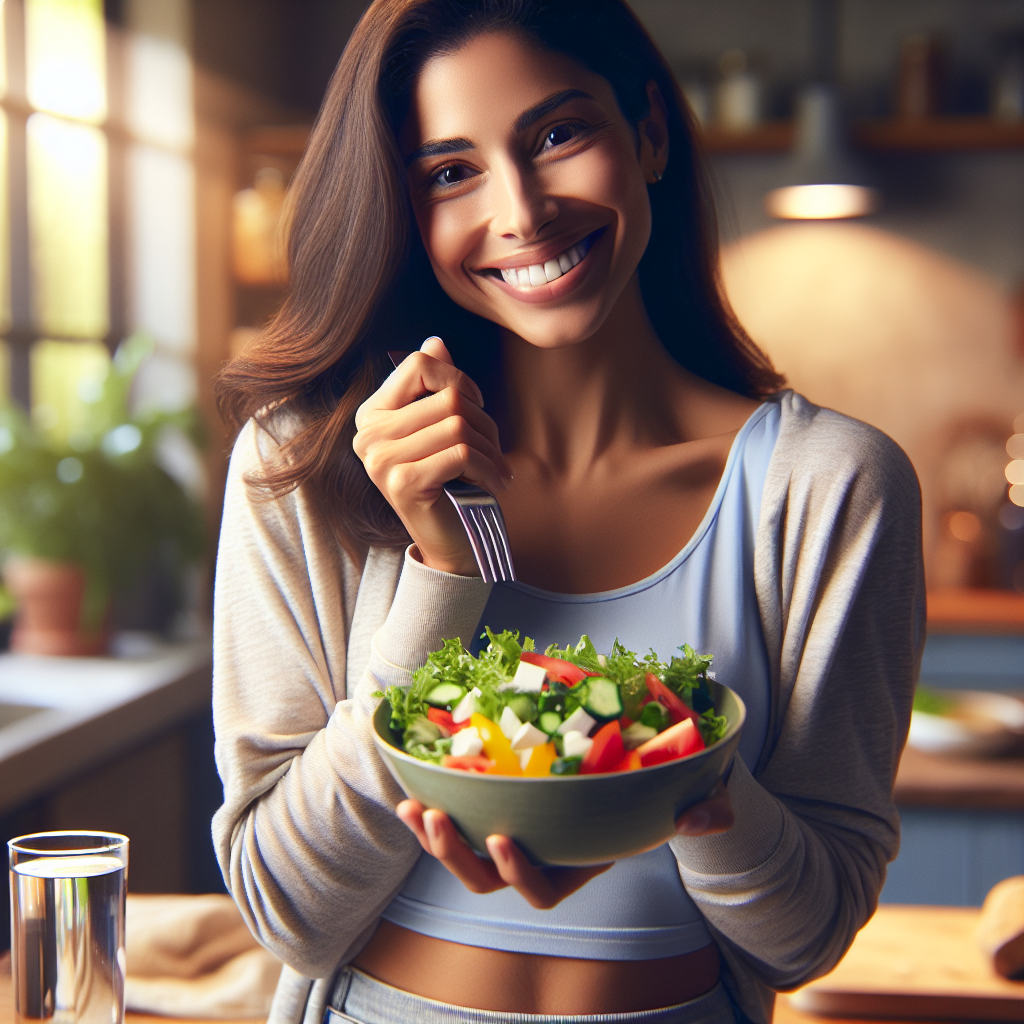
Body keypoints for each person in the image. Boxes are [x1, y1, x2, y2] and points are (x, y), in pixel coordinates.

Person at [212, 2, 925, 1022]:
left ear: (649, 130)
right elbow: (288, 912)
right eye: (450, 172)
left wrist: (672, 780)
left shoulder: (829, 486)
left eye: (556, 135)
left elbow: (806, 935)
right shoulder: (302, 465)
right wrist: (442, 579)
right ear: (402, 209)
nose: (522, 212)